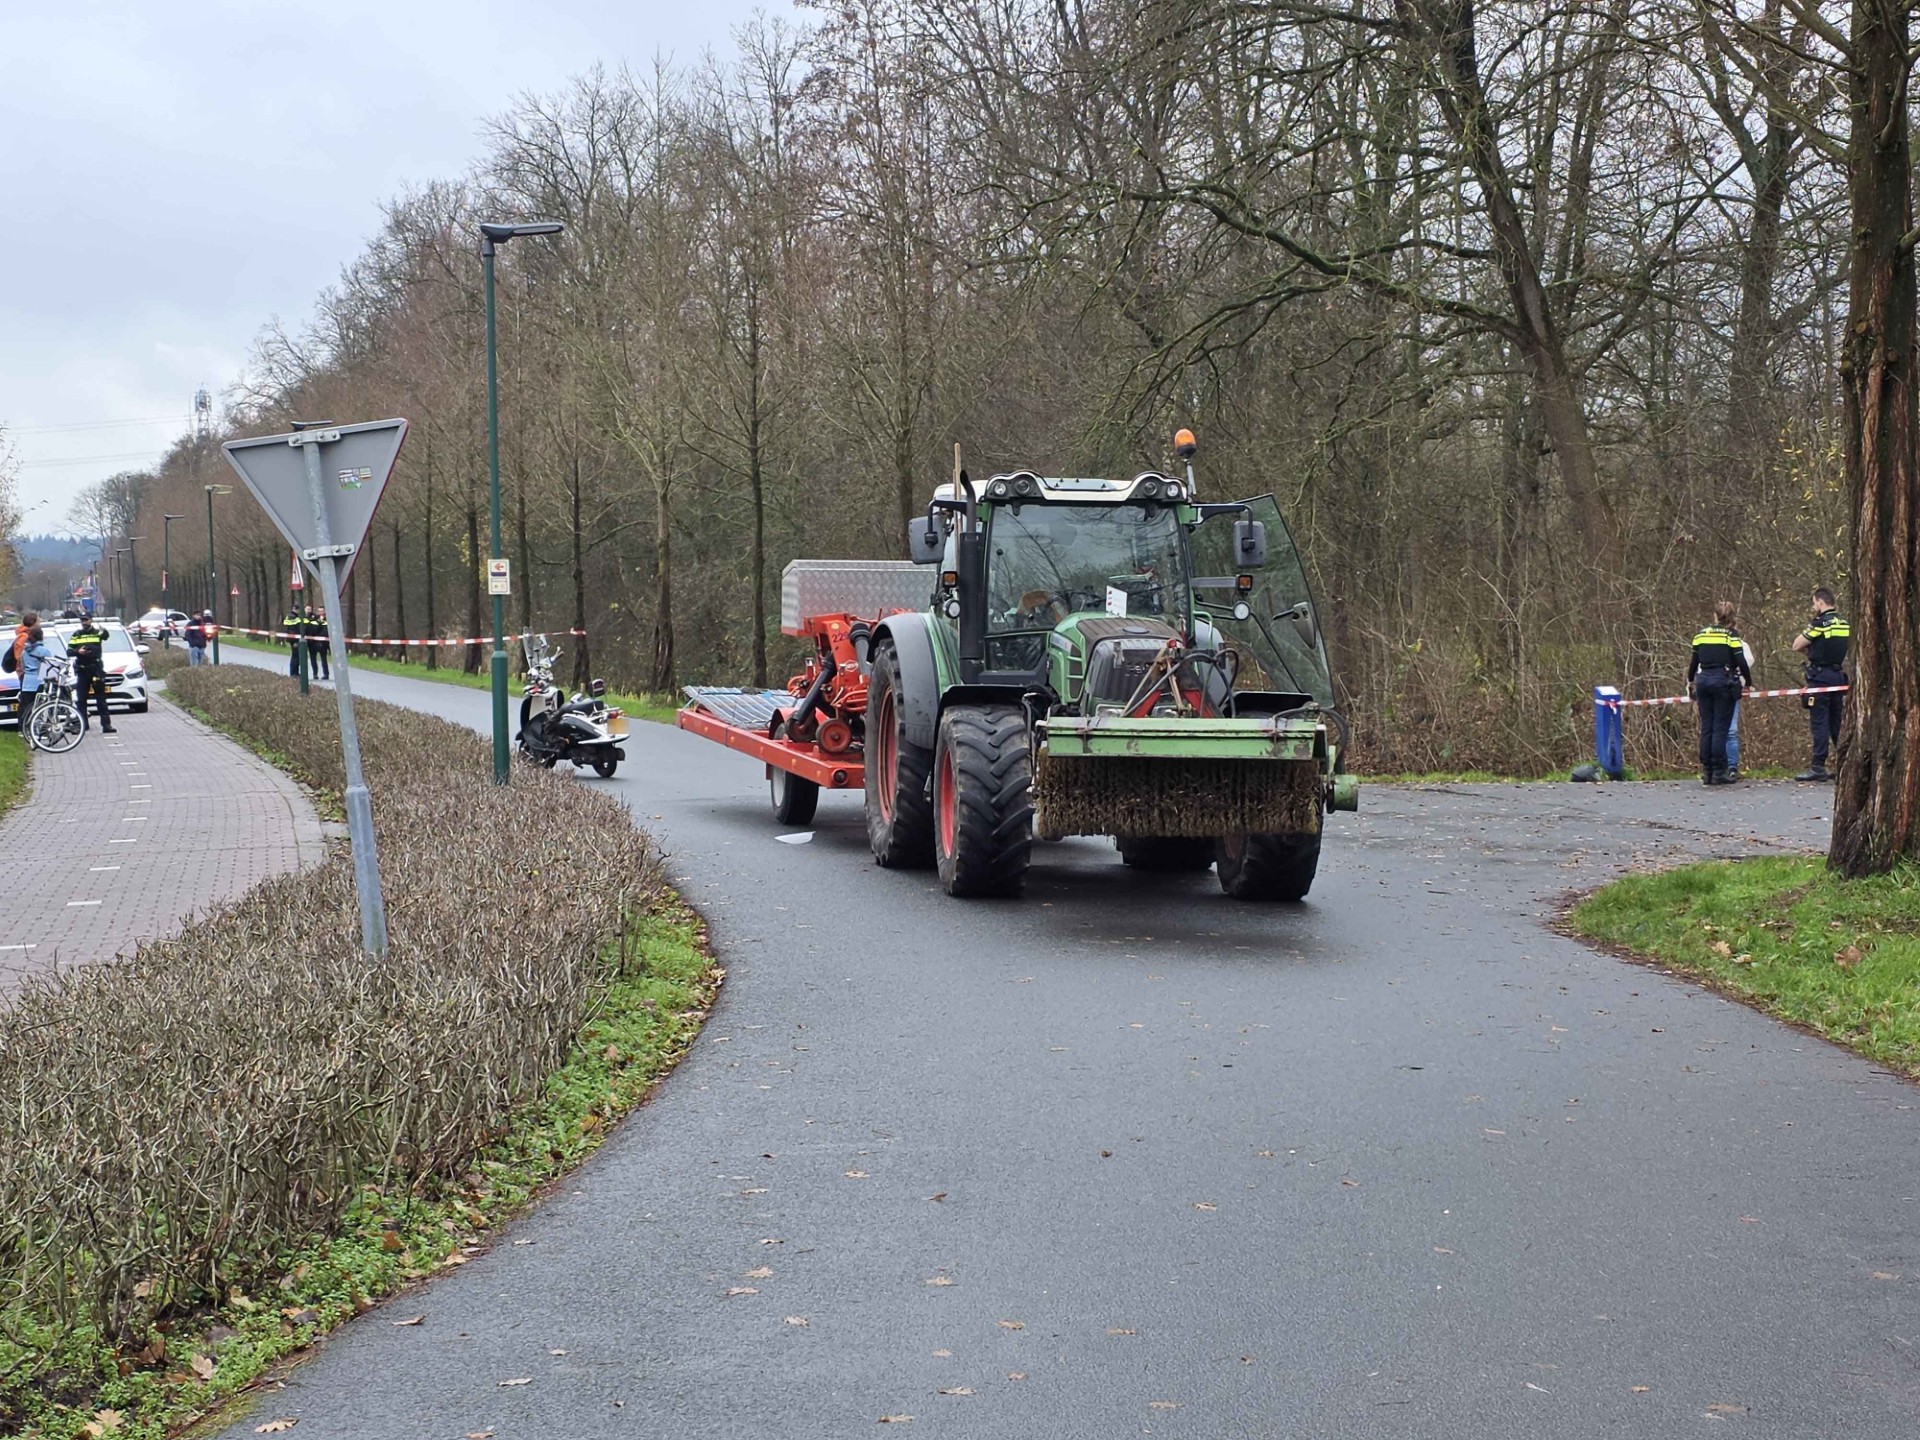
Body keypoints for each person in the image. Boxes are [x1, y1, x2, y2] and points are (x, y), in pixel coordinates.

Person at [1689, 600, 1752, 786]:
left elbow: (1694, 662)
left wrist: (1690, 681)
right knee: (1720, 729)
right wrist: (1748, 682)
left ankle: (1706, 771)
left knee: (1707, 727)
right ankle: (1719, 771)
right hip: (1723, 681)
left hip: (1703, 681)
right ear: (1733, 617)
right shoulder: (1731, 635)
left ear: (1715, 616)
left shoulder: (1701, 634)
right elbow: (1741, 662)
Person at [1791, 586, 1850, 782]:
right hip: (1837, 676)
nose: (1813, 606)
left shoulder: (1820, 623)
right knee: (1837, 723)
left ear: (1820, 602)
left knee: (1819, 722)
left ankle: (1818, 766)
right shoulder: (1843, 622)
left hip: (1820, 677)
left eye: (1814, 603)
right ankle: (1846, 764)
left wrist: (1810, 653)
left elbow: (1797, 644)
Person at [65, 615, 115, 733]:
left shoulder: (97, 633)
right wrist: (78, 651)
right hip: (82, 670)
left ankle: (106, 725)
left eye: (86, 620)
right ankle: (83, 724)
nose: (84, 622)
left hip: (96, 668)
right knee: (81, 699)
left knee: (101, 698)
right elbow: (69, 651)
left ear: (91, 620)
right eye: (82, 620)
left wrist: (102, 628)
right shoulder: (76, 635)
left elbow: (106, 636)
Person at [1725, 637, 1755, 781]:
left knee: (1730, 730)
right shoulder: (1709, 640)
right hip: (1716, 688)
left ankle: (1731, 767)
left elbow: (1748, 661)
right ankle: (1717, 767)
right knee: (1723, 730)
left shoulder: (1740, 643)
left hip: (1731, 689)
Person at [16, 625, 49, 742]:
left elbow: (23, 667)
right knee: (40, 708)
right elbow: (48, 668)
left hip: (27, 683)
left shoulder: (25, 652)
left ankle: (25, 730)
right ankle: (40, 730)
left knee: (27, 708)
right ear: (41, 637)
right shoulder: (44, 651)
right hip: (39, 682)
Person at [307, 606, 331, 680]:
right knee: (313, 659)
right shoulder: (314, 619)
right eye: (319, 611)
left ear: (324, 612)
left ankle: (326, 674)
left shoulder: (328, 619)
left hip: (323, 643)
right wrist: (320, 622)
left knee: (324, 659)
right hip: (314, 643)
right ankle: (315, 674)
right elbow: (313, 630)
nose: (321, 613)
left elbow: (327, 632)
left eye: (322, 611)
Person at [283, 604, 306, 677]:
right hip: (294, 639)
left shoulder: (290, 616)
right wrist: (295, 641)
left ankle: (295, 672)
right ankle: (293, 673)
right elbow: (294, 630)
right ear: (297, 609)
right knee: (295, 656)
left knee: (296, 656)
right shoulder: (293, 617)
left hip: (292, 638)